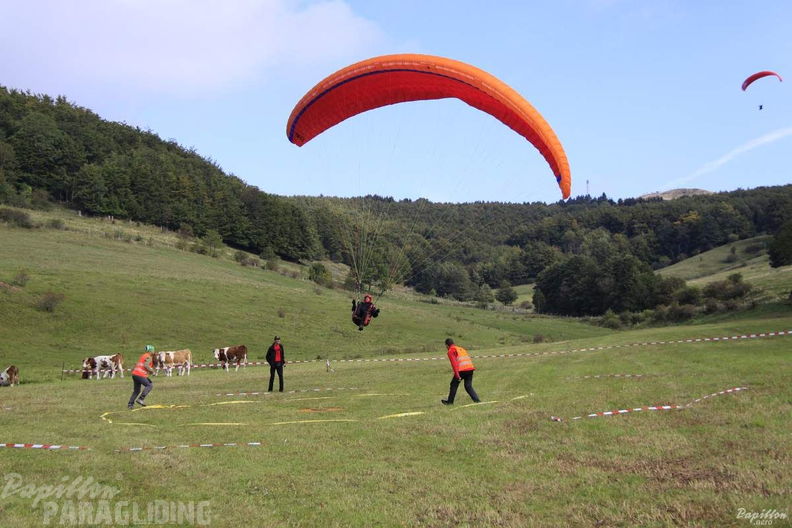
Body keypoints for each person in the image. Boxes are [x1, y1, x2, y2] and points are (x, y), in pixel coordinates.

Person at [441, 338, 480, 405]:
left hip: (462, 370)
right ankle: (477, 400)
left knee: (453, 384)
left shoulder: (451, 350)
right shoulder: (460, 348)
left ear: (447, 345)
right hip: (470, 368)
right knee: (468, 386)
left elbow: (454, 364)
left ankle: (450, 402)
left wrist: (457, 375)